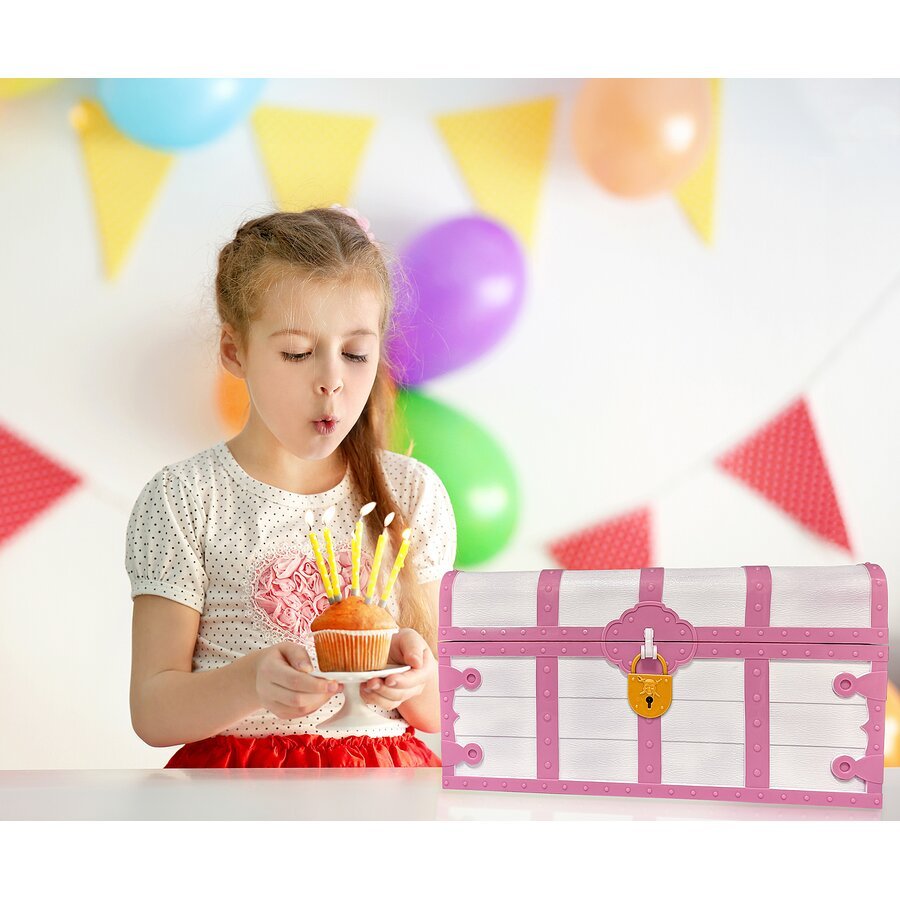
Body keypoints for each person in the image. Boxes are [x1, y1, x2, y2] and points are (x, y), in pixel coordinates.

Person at [125, 205, 456, 768]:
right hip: (238, 797)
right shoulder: (185, 497)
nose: (331, 380)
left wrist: (415, 679)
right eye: (297, 353)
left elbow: (446, 711)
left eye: (356, 353)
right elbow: (153, 712)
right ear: (235, 351)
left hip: (384, 792)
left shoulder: (412, 492)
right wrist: (251, 682)